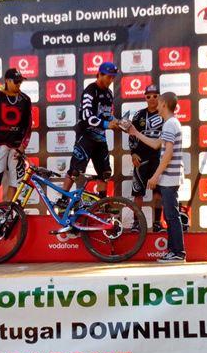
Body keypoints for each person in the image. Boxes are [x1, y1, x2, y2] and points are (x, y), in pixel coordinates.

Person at [128, 92, 185, 263]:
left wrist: (155, 176)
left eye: (159, 103)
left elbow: (167, 154)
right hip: (170, 177)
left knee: (171, 216)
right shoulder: (171, 123)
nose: (156, 106)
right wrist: (135, 132)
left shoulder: (169, 124)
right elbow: (155, 144)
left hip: (169, 178)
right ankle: (174, 251)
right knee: (171, 215)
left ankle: (177, 252)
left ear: (164, 105)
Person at [57, 61, 120, 214]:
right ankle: (63, 200)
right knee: (75, 171)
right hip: (86, 136)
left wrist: (116, 121)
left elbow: (106, 114)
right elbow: (86, 117)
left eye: (113, 78)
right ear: (99, 74)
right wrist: (107, 124)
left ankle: (103, 203)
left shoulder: (109, 93)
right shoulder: (90, 91)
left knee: (104, 173)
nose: (111, 80)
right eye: (108, 77)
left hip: (100, 139)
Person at [0, 68, 33, 216]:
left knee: (14, 181)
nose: (19, 84)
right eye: (16, 81)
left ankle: (8, 212)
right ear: (7, 81)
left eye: (20, 81)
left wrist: (23, 146)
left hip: (16, 147)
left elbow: (28, 126)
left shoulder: (25, 100)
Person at [128, 84, 164, 232]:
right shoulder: (138, 115)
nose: (152, 99)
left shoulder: (164, 115)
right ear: (145, 97)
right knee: (138, 192)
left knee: (158, 193)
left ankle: (157, 223)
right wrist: (133, 153)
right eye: (148, 96)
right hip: (141, 158)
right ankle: (137, 223)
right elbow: (131, 133)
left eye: (155, 96)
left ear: (159, 97)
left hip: (158, 159)